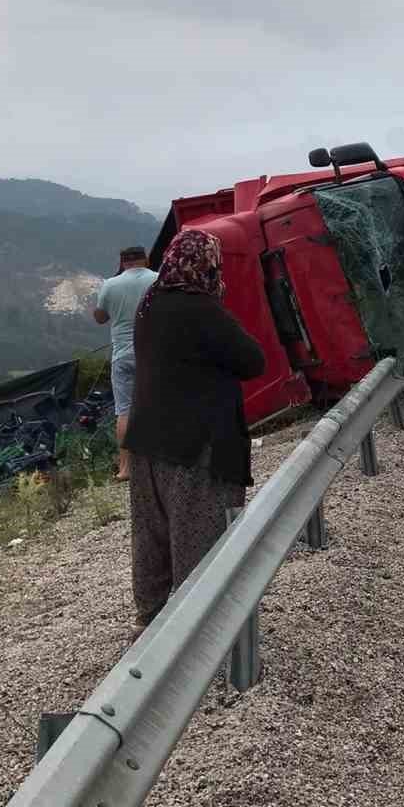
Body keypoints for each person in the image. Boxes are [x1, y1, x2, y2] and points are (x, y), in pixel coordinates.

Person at [123, 229, 266, 631]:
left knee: (151, 541)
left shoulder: (149, 303)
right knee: (198, 545)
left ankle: (148, 625)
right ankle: (195, 640)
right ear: (207, 265)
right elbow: (253, 361)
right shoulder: (200, 308)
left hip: (145, 442)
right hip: (192, 447)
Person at [93, 245, 158, 480]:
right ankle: (164, 460)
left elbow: (100, 318)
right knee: (160, 403)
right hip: (152, 352)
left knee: (124, 411)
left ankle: (125, 468)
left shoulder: (110, 284)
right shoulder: (157, 279)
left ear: (122, 263)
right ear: (146, 260)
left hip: (122, 355)